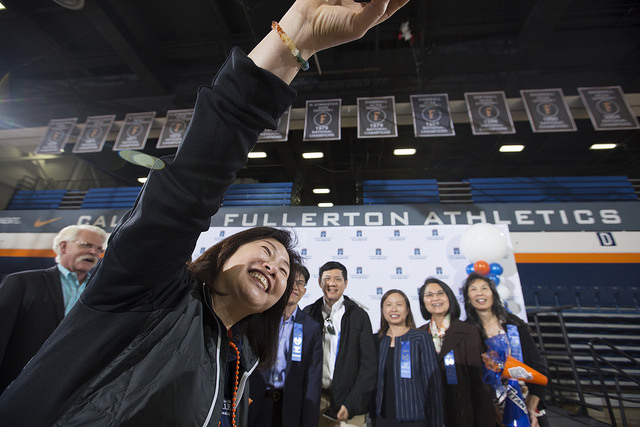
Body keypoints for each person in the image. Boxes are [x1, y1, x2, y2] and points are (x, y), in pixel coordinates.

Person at [0, 0, 411, 425]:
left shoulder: (240, 360)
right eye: (267, 251)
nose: (275, 266)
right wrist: (297, 36)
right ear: (220, 255)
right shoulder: (148, 291)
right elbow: (190, 188)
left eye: (285, 268)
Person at [0, 224, 107, 395]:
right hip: (17, 383)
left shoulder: (102, 292)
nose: (94, 252)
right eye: (86, 245)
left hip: (72, 386)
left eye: (99, 249)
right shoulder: (22, 282)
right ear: (63, 246)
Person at [462, 273, 549, 427]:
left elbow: (539, 368)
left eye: (484, 288)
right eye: (473, 289)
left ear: (493, 294)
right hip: (490, 410)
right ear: (468, 298)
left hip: (526, 403)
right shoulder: (466, 332)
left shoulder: (514, 326)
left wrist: (532, 405)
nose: (480, 293)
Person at [303, 261, 377, 427]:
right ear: (320, 282)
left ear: (346, 283)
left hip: (350, 403)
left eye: (337, 279)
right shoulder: (308, 313)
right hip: (315, 401)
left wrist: (352, 403)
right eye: (327, 278)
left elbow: (369, 365)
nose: (332, 283)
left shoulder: (358, 315)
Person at [248, 265, 323, 427]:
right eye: (291, 282)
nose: (295, 287)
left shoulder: (311, 328)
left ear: (304, 290)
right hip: (255, 404)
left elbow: (312, 380)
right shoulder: (259, 318)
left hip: (289, 409)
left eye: (300, 283)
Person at [417, 278, 495, 427]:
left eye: (440, 293)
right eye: (429, 295)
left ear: (449, 298)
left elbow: (478, 381)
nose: (435, 298)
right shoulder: (418, 335)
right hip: (429, 414)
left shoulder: (468, 331)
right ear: (423, 302)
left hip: (461, 413)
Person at [373, 289, 443, 427]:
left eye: (399, 304)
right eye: (388, 305)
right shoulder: (376, 341)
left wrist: (437, 422)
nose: (394, 309)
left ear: (407, 310)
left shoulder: (421, 338)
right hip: (383, 419)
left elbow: (433, 385)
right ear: (382, 310)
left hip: (415, 419)